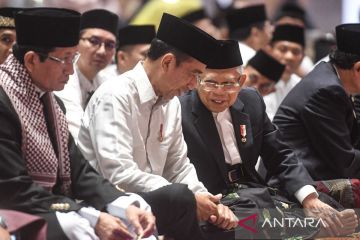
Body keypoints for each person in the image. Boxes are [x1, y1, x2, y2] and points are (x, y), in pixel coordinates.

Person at [0, 8, 156, 240]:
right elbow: (15, 189)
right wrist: (89, 214)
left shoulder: (52, 104)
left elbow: (80, 171)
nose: (70, 70)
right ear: (32, 60)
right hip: (14, 211)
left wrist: (122, 202)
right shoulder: (4, 102)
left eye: (73, 58)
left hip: (51, 204)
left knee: (133, 218)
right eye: (63, 59)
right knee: (77, 228)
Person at [78, 12, 238, 235]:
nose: (194, 85)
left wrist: (208, 201)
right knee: (180, 198)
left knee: (227, 220)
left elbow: (179, 165)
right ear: (168, 62)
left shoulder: (171, 101)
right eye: (193, 74)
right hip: (112, 204)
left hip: (160, 202)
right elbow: (118, 174)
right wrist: (190, 198)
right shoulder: (115, 96)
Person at [180, 39, 358, 238]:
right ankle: (310, 227)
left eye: (228, 83)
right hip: (214, 196)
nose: (219, 92)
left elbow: (280, 154)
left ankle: (311, 223)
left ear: (241, 81)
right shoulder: (180, 109)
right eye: (211, 82)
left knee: (317, 198)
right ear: (197, 80)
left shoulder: (251, 101)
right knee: (241, 221)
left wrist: (309, 199)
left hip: (253, 188)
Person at [272, 23, 360, 209]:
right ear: (358, 68)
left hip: (318, 176)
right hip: (294, 187)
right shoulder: (327, 90)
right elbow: (345, 162)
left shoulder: (332, 79)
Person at [55, 9, 118, 140]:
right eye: (94, 41)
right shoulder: (64, 78)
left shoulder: (108, 82)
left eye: (109, 45)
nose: (102, 51)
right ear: (76, 43)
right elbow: (77, 135)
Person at [263, 24, 305, 120]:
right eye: (283, 49)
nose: (289, 57)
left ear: (302, 57)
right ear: (270, 50)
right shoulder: (259, 82)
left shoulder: (301, 85)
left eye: (296, 52)